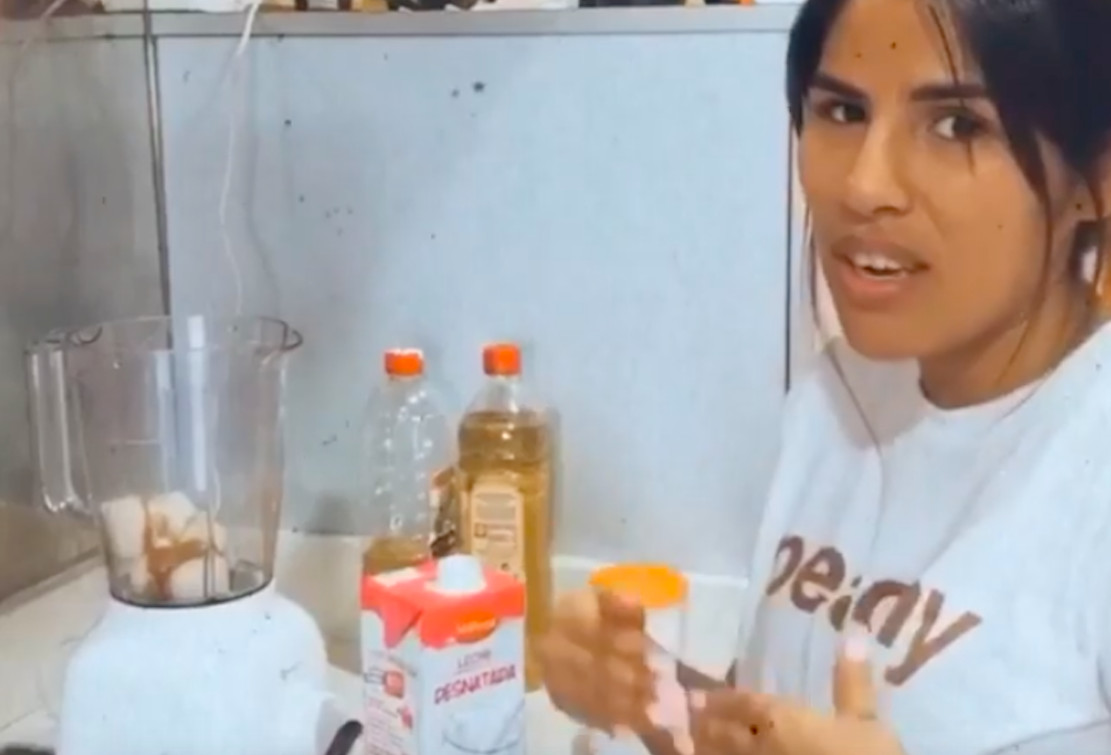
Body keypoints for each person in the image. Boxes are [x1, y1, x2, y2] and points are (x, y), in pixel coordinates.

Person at [537, 0, 1111, 753]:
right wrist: (652, 693)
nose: (864, 184)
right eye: (841, 110)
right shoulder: (834, 401)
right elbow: (780, 721)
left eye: (956, 126)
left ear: (1090, 180)